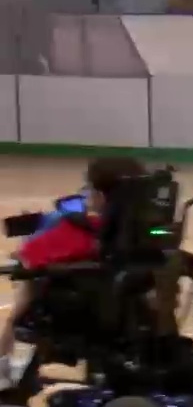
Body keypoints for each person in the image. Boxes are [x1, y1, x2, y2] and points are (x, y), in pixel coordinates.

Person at [0, 155, 146, 389]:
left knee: (27, 290)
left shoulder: (75, 228)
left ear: (99, 195)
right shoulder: (144, 234)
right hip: (134, 314)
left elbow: (28, 258)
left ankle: (2, 367)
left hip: (86, 311)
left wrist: (28, 247)